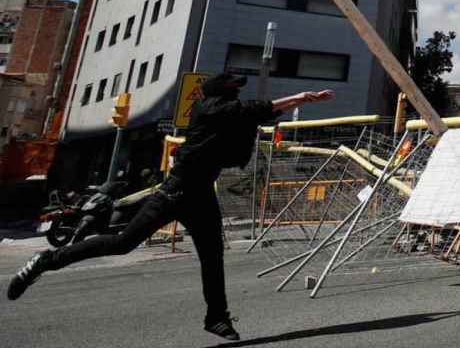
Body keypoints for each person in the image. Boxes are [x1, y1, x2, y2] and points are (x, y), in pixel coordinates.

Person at [6, 73, 334, 341]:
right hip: (176, 192)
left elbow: (258, 113)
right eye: (232, 90)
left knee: (212, 256)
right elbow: (252, 110)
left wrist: (299, 100)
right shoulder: (209, 111)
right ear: (219, 95)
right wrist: (300, 98)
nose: (236, 95)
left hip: (201, 195)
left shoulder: (227, 116)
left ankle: (216, 318)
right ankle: (46, 260)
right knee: (122, 244)